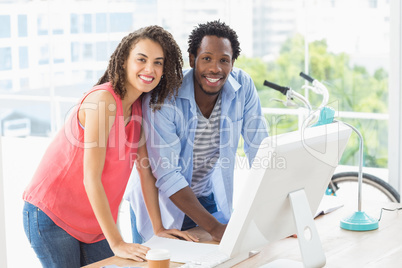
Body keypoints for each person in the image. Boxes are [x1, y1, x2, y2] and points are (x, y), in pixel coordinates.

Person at [22, 25, 191, 268]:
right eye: (141, 59)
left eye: (158, 62)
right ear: (123, 61)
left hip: (93, 222)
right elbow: (91, 177)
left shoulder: (139, 109)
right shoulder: (103, 101)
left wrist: (158, 228)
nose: (150, 69)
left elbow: (145, 171)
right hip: (52, 214)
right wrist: (117, 242)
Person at [125, 20, 269, 244]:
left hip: (206, 196)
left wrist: (275, 215)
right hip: (163, 204)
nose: (215, 68)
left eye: (224, 60)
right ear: (192, 59)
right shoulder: (163, 98)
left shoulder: (243, 87)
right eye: (207, 58)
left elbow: (259, 148)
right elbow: (167, 174)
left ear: (232, 63)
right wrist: (215, 228)